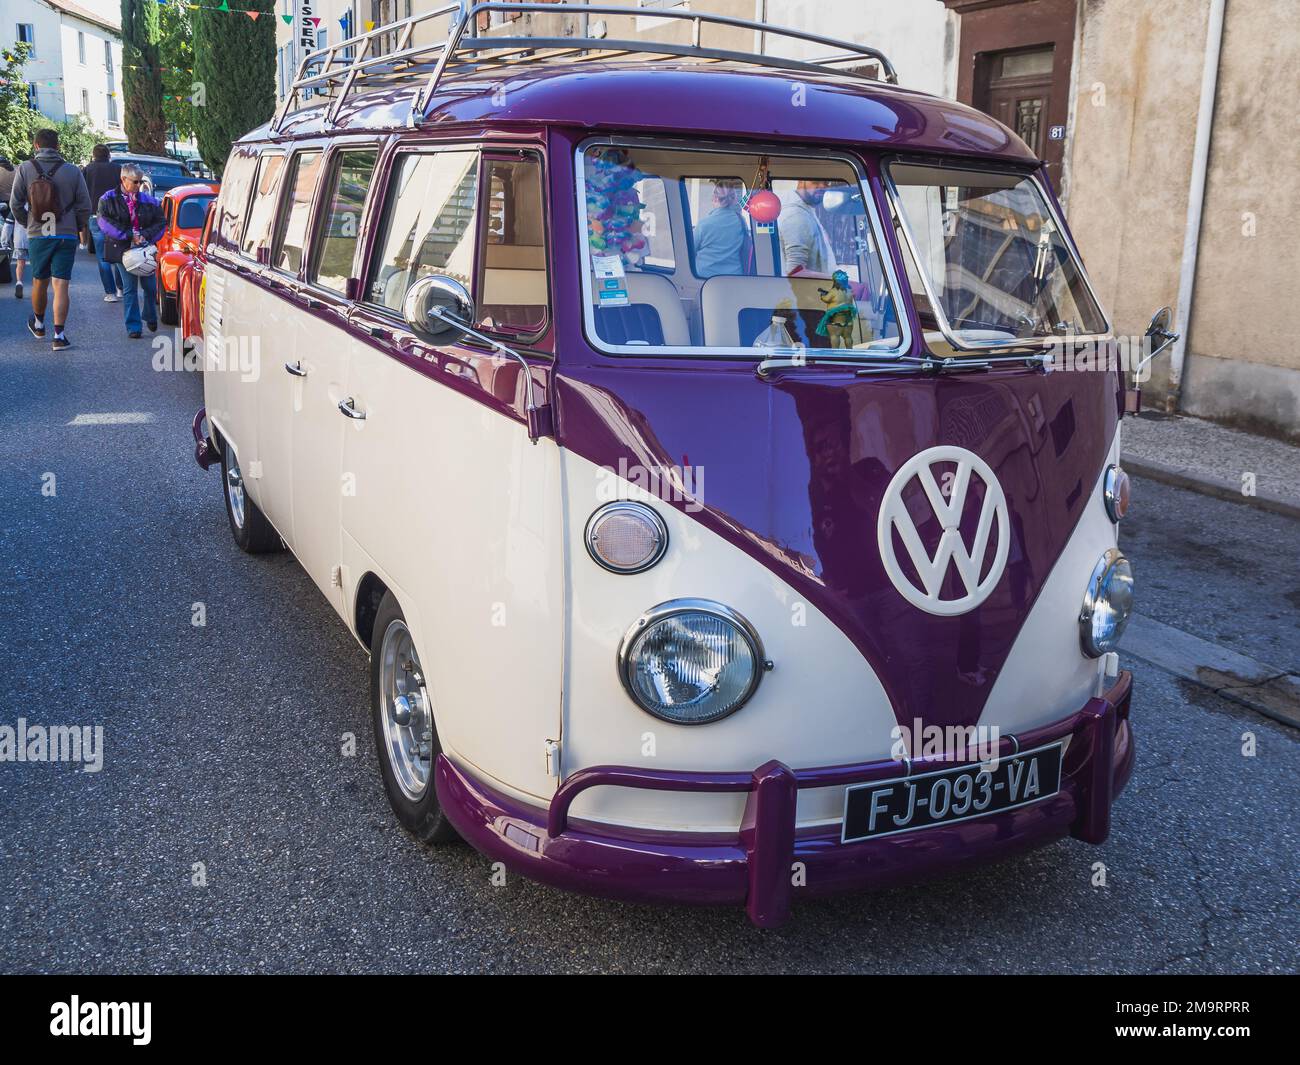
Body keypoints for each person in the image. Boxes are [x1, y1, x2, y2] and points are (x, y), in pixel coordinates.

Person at [8, 128, 92, 350]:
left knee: (39, 281)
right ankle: (59, 335)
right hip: (65, 232)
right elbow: (85, 205)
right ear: (58, 147)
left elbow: (15, 203)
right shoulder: (73, 171)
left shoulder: (25, 168)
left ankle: (38, 324)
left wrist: (27, 223)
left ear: (36, 146)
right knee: (61, 285)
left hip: (38, 233)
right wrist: (77, 226)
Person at [96, 164, 164, 338]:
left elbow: (161, 222)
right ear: (123, 180)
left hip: (144, 248)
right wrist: (128, 235)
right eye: (135, 182)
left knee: (150, 287)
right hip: (122, 248)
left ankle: (149, 315)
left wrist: (144, 236)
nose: (138, 185)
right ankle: (133, 326)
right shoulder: (108, 198)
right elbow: (104, 222)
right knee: (130, 288)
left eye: (140, 182)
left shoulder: (149, 201)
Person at [81, 144, 123, 303]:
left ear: (94, 155)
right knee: (119, 253)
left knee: (102, 255)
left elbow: (82, 192)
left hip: (95, 215)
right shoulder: (118, 169)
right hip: (117, 216)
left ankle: (110, 292)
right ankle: (120, 287)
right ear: (108, 155)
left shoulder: (88, 170)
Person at [778, 179, 838, 277]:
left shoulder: (805, 209)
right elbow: (795, 272)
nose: (822, 186)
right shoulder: (796, 215)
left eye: (826, 183)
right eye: (816, 181)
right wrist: (833, 281)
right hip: (811, 290)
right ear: (801, 181)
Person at [692, 178, 749, 278]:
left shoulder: (703, 224)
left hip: (704, 278)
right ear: (733, 198)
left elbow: (691, 250)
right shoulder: (741, 221)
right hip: (733, 277)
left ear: (715, 198)